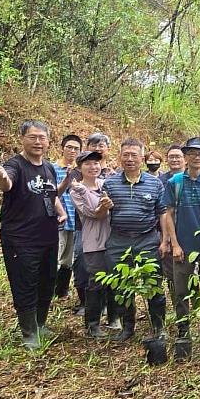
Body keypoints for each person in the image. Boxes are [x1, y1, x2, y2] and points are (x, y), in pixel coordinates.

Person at [0, 120, 67, 349]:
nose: (38, 142)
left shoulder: (49, 168)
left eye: (42, 137)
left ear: (48, 141)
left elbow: (51, 195)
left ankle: (40, 323)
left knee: (47, 281)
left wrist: (61, 212)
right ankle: (29, 332)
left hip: (48, 236)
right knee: (25, 283)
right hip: (21, 239)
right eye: (32, 137)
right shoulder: (15, 165)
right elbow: (7, 183)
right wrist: (0, 176)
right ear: (22, 139)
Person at [102, 138, 170, 341]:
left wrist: (164, 240)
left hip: (147, 239)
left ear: (142, 158)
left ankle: (158, 326)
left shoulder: (155, 183)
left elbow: (163, 213)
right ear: (119, 157)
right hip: (119, 239)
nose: (130, 159)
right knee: (121, 285)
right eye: (126, 155)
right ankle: (127, 327)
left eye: (134, 155)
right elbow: (102, 213)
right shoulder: (110, 183)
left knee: (153, 283)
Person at [162, 137, 200, 341]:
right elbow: (169, 214)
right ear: (186, 157)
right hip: (183, 246)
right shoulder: (175, 182)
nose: (197, 157)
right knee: (181, 289)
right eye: (192, 153)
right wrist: (174, 244)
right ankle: (183, 330)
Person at [63, 133, 115, 319]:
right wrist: (102, 204)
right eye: (88, 164)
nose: (93, 167)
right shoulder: (76, 190)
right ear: (79, 168)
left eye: (96, 163)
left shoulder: (106, 183)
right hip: (92, 239)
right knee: (95, 278)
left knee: (113, 277)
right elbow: (93, 213)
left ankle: (112, 316)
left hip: (112, 238)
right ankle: (92, 321)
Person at [53, 134, 82, 299]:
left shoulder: (80, 171)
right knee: (55, 255)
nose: (72, 151)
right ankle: (46, 291)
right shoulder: (52, 168)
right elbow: (51, 193)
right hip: (57, 220)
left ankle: (61, 291)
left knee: (68, 259)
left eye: (76, 148)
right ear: (62, 148)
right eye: (69, 147)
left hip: (75, 220)